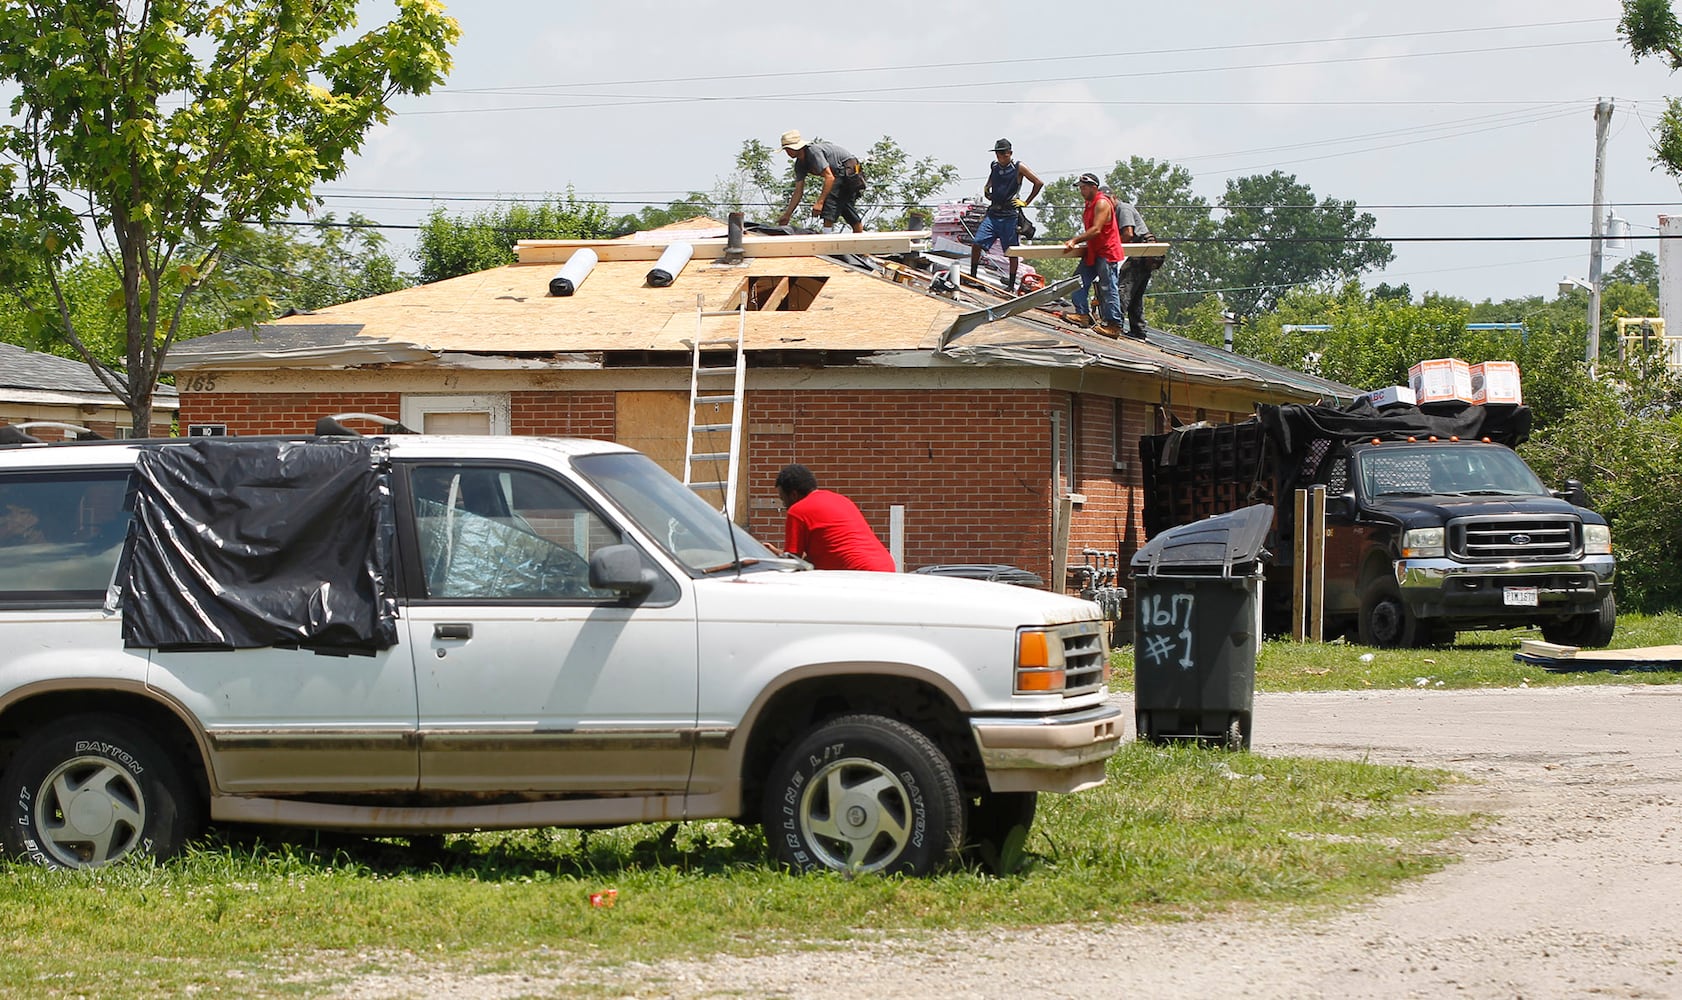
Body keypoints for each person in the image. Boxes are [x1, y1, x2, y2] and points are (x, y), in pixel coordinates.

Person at [775, 464, 896, 572]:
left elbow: (792, 565)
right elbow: (824, 552)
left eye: (782, 498)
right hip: (885, 566)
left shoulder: (797, 511)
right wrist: (780, 554)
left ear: (793, 495)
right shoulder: (840, 499)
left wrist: (772, 557)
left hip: (857, 572)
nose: (784, 504)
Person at [970, 138, 1044, 281]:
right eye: (997, 154)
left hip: (1009, 216)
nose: (1000, 157)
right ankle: (972, 276)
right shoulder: (995, 166)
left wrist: (1025, 202)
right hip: (993, 213)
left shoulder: (1018, 167)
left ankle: (1011, 284)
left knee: (1011, 251)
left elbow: (1038, 183)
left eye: (1003, 154)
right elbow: (992, 177)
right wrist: (987, 187)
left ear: (1009, 153)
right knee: (977, 243)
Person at [1062, 172, 1125, 337]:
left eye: (1084, 188)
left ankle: (1114, 325)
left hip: (1106, 252)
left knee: (1108, 287)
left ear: (1093, 188)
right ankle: (1082, 314)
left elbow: (1096, 229)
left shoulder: (1102, 203)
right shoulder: (1089, 203)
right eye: (1080, 188)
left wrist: (1074, 240)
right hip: (1094, 251)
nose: (1081, 191)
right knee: (1077, 281)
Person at [775, 130, 866, 234]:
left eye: (788, 149)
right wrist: (787, 214)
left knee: (830, 201)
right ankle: (860, 239)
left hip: (850, 170)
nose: (787, 152)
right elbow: (798, 191)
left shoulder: (813, 152)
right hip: (841, 174)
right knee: (844, 205)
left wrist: (819, 202)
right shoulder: (800, 165)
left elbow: (829, 177)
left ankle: (826, 239)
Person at [1112, 193, 1158, 340]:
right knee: (1136, 294)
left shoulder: (1122, 208)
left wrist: (1110, 248)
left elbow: (1128, 234)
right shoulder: (1118, 210)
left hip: (1142, 251)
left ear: (1112, 197)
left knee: (1125, 287)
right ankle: (1138, 330)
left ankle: (1115, 323)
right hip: (1143, 252)